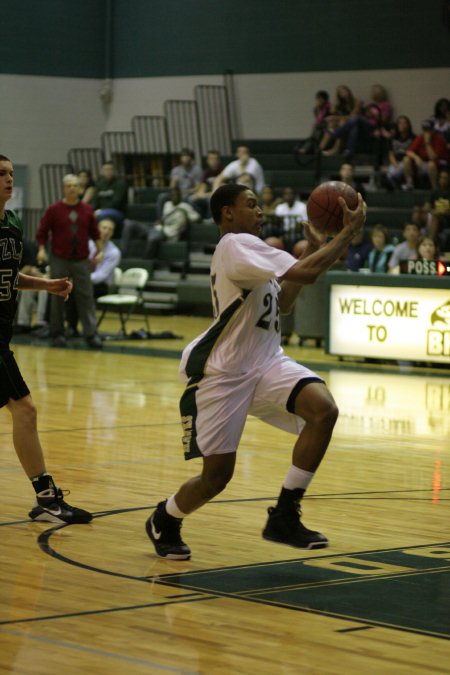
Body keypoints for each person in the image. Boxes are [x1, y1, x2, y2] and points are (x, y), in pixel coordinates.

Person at [145, 182, 366, 560]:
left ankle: (284, 513)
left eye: (261, 204)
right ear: (228, 213)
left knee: (323, 409)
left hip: (265, 362)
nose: (260, 211)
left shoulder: (253, 252)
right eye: (251, 204)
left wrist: (313, 249)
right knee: (217, 477)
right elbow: (308, 275)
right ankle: (165, 518)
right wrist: (347, 231)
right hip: (224, 373)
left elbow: (284, 304)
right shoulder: (234, 244)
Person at [0, 154, 92, 523]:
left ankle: (46, 497)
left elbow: (10, 276)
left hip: (2, 336)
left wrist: (47, 285)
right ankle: (48, 497)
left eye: (9, 173)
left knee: (24, 411)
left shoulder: (13, 221)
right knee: (25, 409)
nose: (8, 179)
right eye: (1, 174)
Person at [36, 174, 103, 349]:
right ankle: (57, 333)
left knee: (86, 296)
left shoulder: (87, 210)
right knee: (58, 296)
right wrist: (42, 249)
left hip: (81, 259)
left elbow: (95, 233)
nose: (72, 188)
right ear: (64, 188)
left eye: (75, 185)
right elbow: (42, 232)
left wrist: (101, 251)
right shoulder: (54, 209)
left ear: (80, 189)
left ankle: (91, 334)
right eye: (69, 186)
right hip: (59, 258)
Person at [65, 218, 121, 335]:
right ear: (97, 229)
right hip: (83, 280)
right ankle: (48, 324)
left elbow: (101, 276)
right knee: (62, 287)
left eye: (110, 230)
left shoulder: (113, 252)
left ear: (112, 234)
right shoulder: (88, 244)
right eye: (104, 228)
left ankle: (73, 327)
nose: (106, 232)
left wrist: (80, 280)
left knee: (76, 289)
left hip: (101, 286)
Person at [121, 187, 200, 258]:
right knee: (129, 223)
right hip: (156, 228)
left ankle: (145, 261)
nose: (174, 196)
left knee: (153, 238)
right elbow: (164, 218)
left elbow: (197, 218)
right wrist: (160, 221)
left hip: (167, 233)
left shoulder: (185, 207)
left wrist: (186, 222)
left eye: (176, 195)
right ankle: (123, 253)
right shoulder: (167, 204)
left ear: (180, 196)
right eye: (172, 195)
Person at [402, 119, 450, 191]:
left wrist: (427, 143)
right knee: (406, 159)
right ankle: (409, 184)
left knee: (431, 164)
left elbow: (433, 157)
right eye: (424, 130)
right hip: (423, 163)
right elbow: (409, 151)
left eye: (428, 130)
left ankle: (435, 188)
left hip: (440, 164)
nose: (426, 132)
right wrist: (416, 157)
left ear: (433, 130)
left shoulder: (439, 139)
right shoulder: (420, 137)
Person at [157, 149, 203, 219]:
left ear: (191, 158)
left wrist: (185, 192)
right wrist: (174, 183)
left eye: (188, 156)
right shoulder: (176, 170)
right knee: (162, 197)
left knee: (190, 199)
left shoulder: (197, 169)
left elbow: (197, 188)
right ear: (180, 158)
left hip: (190, 194)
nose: (186, 158)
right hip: (177, 194)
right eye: (184, 156)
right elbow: (171, 188)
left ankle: (197, 219)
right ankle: (161, 219)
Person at [265, 187, 308, 257]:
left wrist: (288, 232)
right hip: (282, 231)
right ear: (283, 196)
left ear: (295, 195)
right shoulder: (280, 207)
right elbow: (277, 222)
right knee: (269, 227)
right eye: (286, 194)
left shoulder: (302, 206)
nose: (289, 196)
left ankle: (292, 256)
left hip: (296, 232)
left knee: (291, 236)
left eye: (291, 194)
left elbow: (303, 223)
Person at [91, 162, 128, 233]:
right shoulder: (99, 184)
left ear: (115, 171)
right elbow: (94, 201)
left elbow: (116, 202)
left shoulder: (120, 184)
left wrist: (100, 211)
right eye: (106, 170)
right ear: (102, 172)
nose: (108, 172)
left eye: (110, 169)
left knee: (101, 216)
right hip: (99, 211)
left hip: (117, 212)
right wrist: (90, 211)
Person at [189, 150, 224, 219]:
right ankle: (198, 219)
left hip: (219, 196)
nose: (213, 161)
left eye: (215, 159)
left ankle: (212, 219)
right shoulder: (207, 173)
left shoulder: (224, 172)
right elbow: (202, 187)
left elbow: (220, 191)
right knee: (191, 198)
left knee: (211, 199)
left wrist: (204, 195)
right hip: (207, 195)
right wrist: (199, 194)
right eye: (211, 159)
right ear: (207, 161)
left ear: (219, 160)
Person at [385, 116, 416, 190]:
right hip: (396, 162)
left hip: (408, 162)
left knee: (405, 161)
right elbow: (391, 154)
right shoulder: (392, 139)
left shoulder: (413, 138)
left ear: (408, 125)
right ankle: (393, 186)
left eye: (405, 123)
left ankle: (409, 184)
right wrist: (395, 165)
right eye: (400, 123)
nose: (403, 125)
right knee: (390, 174)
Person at [297, 90, 331, 155]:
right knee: (315, 131)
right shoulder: (316, 109)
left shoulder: (329, 107)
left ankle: (307, 148)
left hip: (328, 126)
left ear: (325, 99)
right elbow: (317, 119)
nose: (319, 100)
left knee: (317, 129)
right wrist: (318, 108)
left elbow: (324, 119)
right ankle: (308, 148)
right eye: (318, 98)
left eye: (321, 98)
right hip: (320, 126)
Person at [428, 169, 450, 250]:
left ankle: (429, 242)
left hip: (447, 219)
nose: (443, 180)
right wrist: (433, 211)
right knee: (417, 212)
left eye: (445, 178)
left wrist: (445, 211)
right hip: (435, 216)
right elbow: (427, 206)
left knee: (436, 217)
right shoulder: (435, 192)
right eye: (441, 177)